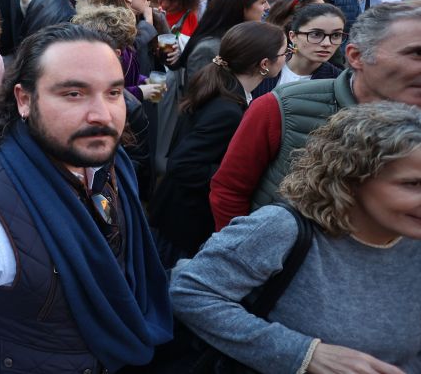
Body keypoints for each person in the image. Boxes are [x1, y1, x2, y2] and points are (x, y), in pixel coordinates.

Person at [0, 23, 172, 373]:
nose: (102, 114)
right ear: (24, 100)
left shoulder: (107, 163)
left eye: (114, 93)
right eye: (74, 93)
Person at [172, 102, 421, 373]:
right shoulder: (283, 228)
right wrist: (303, 353)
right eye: (412, 184)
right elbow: (190, 292)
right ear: (352, 177)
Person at [210, 0, 421, 230]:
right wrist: (247, 254)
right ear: (357, 56)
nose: (326, 43)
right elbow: (230, 189)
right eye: (416, 53)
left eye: (335, 35)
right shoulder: (279, 106)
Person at [149, 21, 286, 265]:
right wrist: (236, 174)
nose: (286, 58)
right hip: (184, 223)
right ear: (265, 64)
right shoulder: (227, 111)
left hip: (174, 215)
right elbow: (183, 165)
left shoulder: (222, 85)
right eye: (285, 53)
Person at [177, 0, 271, 86]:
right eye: (263, 2)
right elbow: (200, 96)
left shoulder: (242, 38)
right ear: (241, 6)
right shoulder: (208, 49)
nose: (267, 7)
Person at [251, 3, 345, 99]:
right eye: (316, 34)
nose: (327, 43)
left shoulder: (340, 82)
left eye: (336, 35)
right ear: (293, 36)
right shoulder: (262, 65)